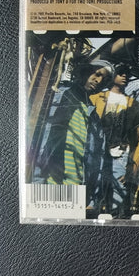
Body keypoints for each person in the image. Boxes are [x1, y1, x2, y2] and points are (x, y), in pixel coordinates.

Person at [37, 59, 114, 193]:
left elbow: (95, 157)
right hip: (49, 181)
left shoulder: (93, 116)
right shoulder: (59, 93)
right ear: (85, 72)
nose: (99, 81)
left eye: (104, 80)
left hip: (75, 187)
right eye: (97, 74)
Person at [90, 64, 139, 217]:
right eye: (121, 73)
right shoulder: (95, 99)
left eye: (127, 74)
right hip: (97, 155)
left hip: (121, 157)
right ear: (112, 76)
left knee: (118, 203)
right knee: (91, 200)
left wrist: (133, 168)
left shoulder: (135, 105)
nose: (125, 76)